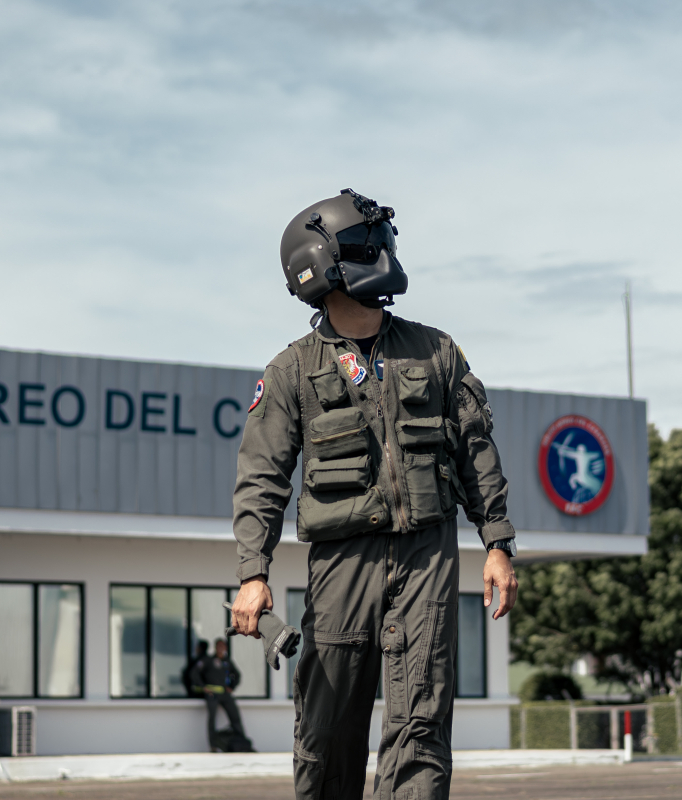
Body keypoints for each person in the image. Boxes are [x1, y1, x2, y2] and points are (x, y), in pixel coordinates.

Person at [229, 188, 518, 800]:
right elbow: (262, 478)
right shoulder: (291, 371)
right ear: (321, 265)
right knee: (328, 724)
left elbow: (476, 451)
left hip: (427, 554)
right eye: (366, 243)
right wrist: (253, 572)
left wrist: (497, 542)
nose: (381, 252)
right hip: (343, 562)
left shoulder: (437, 351)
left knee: (421, 716)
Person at [188, 638, 246, 751]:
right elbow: (194, 673)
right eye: (218, 646)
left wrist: (232, 687)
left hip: (225, 694)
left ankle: (242, 743)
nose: (220, 649)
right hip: (212, 694)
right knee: (212, 719)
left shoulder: (227, 661)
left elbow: (237, 675)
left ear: (225, 648)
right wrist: (203, 687)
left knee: (235, 717)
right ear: (215, 647)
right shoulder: (208, 660)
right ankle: (213, 745)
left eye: (222, 646)